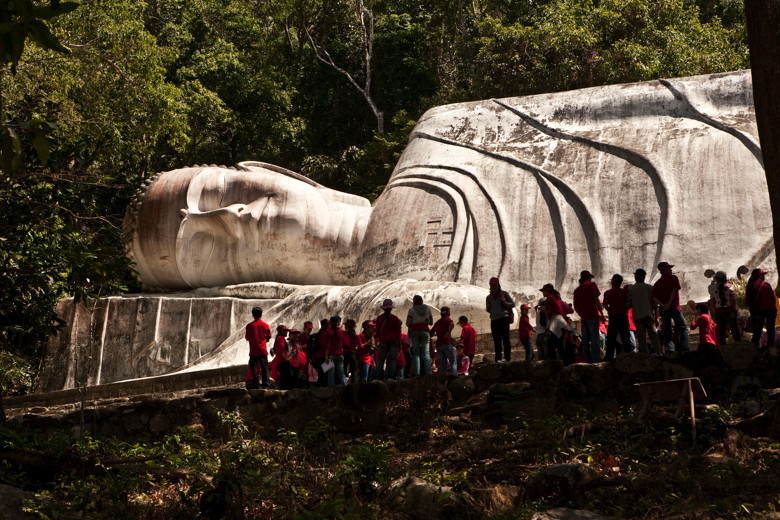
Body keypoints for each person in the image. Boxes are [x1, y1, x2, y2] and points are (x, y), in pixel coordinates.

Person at [652, 262, 690, 353]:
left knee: (667, 330)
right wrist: (669, 303)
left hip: (663, 309)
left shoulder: (657, 283)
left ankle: (670, 349)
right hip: (674, 307)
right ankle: (685, 348)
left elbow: (654, 297)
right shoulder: (673, 278)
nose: (671, 270)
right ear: (665, 270)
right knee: (683, 327)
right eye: (669, 268)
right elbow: (674, 289)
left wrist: (662, 304)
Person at [573, 270, 604, 363]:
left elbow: (575, 306)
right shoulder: (592, 285)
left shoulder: (577, 290)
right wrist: (601, 314)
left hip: (584, 318)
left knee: (585, 341)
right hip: (593, 316)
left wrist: (582, 314)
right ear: (589, 277)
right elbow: (596, 300)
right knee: (595, 340)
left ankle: (587, 361)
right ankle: (596, 360)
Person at [627, 268, 661, 355]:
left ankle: (645, 356)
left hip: (638, 317)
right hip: (649, 316)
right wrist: (656, 317)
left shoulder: (631, 289)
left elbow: (628, 304)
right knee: (654, 337)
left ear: (637, 276)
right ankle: (659, 354)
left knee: (642, 339)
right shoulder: (650, 288)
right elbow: (655, 304)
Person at [486, 277, 516, 362]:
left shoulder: (504, 294)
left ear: (498, 285)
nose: (493, 286)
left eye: (494, 285)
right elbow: (488, 310)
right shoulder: (488, 297)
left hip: (503, 318)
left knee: (505, 339)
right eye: (491, 285)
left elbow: (512, 304)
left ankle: (507, 357)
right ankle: (498, 358)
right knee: (496, 340)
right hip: (494, 320)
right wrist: (488, 308)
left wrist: (503, 302)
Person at [603, 274, 631, 361]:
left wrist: (609, 310)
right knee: (625, 337)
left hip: (613, 316)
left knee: (611, 338)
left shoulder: (607, 293)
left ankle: (609, 357)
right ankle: (628, 356)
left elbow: (605, 304)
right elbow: (628, 303)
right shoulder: (624, 292)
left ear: (614, 281)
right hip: (623, 315)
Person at [709, 271, 741, 345]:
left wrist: (715, 312)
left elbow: (713, 302)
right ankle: (739, 346)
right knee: (735, 331)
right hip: (729, 311)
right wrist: (735, 310)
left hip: (719, 312)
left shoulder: (713, 288)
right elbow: (733, 300)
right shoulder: (729, 286)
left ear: (717, 278)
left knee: (721, 333)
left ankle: (723, 349)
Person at [748, 268, 777, 347]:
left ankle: (754, 348)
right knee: (771, 330)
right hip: (770, 310)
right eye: (762, 275)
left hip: (759, 311)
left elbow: (748, 300)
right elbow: (772, 299)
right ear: (759, 276)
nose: (764, 276)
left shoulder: (751, 285)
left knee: (757, 330)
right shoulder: (766, 285)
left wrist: (752, 311)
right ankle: (770, 348)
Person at [406, 295, 434, 376]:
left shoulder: (411, 310)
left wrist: (415, 321)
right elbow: (431, 322)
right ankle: (428, 373)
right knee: (426, 353)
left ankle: (417, 373)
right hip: (425, 331)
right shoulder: (428, 309)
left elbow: (408, 323)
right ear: (422, 301)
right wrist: (425, 320)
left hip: (415, 332)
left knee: (416, 354)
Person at [375, 299, 403, 380]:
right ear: (391, 308)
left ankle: (377, 378)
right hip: (394, 342)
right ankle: (391, 377)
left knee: (380, 360)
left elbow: (377, 332)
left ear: (383, 308)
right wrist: (400, 345)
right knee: (392, 360)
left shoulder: (379, 318)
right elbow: (398, 333)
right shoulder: (395, 318)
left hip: (383, 341)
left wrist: (377, 342)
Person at [245, 307, 271, 389]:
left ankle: (256, 385)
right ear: (261, 314)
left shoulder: (249, 326)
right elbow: (268, 337)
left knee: (254, 369)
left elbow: (247, 338)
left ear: (253, 315)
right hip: (262, 350)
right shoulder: (265, 325)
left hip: (253, 351)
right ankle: (266, 385)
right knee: (264, 368)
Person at [541, 283, 566, 360]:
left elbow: (548, 313)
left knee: (551, 343)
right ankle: (564, 362)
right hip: (560, 322)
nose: (542, 292)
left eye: (543, 291)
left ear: (547, 291)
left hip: (556, 322)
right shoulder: (554, 299)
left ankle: (554, 363)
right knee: (559, 344)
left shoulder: (549, 299)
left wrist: (543, 310)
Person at [431, 306, 457, 376]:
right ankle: (453, 375)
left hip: (439, 345)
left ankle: (442, 377)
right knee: (453, 361)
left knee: (443, 363)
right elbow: (452, 324)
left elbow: (431, 333)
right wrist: (448, 333)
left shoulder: (437, 322)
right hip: (447, 343)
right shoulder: (448, 320)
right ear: (448, 312)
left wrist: (438, 334)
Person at [273, 325, 294, 389]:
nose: (287, 333)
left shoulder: (278, 338)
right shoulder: (281, 338)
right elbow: (282, 350)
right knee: (287, 378)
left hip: (280, 361)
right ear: (281, 331)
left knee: (283, 378)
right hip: (283, 361)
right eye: (285, 331)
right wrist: (287, 358)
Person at [342, 319, 360, 383]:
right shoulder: (356, 336)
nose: (345, 326)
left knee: (343, 372)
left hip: (345, 354)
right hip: (353, 355)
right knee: (354, 373)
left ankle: (343, 385)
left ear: (348, 326)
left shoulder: (344, 334)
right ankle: (354, 387)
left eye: (346, 325)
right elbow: (360, 346)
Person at [535, 295, 548, 359]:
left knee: (540, 357)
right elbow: (543, 323)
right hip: (543, 335)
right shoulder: (542, 313)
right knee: (546, 356)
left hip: (539, 335)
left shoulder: (538, 313)